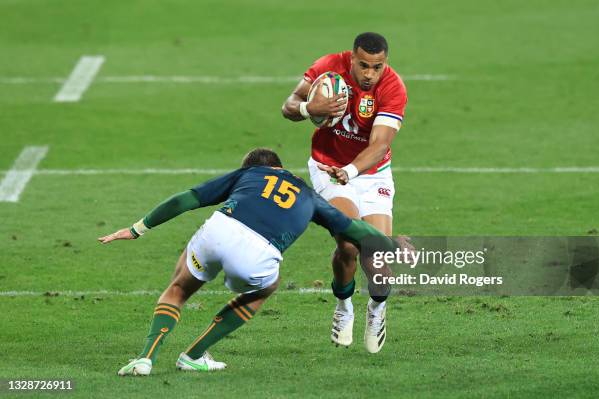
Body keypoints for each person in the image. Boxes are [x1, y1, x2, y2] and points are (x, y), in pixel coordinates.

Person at [98, 148, 401, 376]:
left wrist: (137, 229)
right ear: (278, 168)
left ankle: (145, 358)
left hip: (219, 231)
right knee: (267, 287)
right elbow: (354, 229)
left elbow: (187, 199)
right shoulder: (308, 195)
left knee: (178, 288)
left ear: (253, 168)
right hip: (257, 255)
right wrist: (392, 244)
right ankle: (193, 355)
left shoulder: (248, 174)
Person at [281, 32, 408, 353]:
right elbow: (288, 106)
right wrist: (311, 108)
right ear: (351, 58)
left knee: (377, 259)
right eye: (363, 65)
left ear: (385, 64)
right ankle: (343, 305)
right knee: (349, 243)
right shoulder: (328, 67)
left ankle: (377, 309)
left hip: (370, 172)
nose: (369, 74)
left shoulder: (392, 88)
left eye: (376, 67)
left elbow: (380, 145)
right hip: (327, 168)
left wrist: (351, 171)